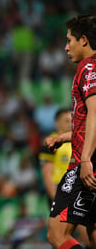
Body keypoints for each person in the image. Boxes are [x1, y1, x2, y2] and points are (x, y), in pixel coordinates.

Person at [45, 15, 96, 249]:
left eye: (69, 41)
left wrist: (85, 158)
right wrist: (62, 137)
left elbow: (95, 114)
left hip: (84, 164)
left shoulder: (89, 68)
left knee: (57, 234)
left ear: (83, 40)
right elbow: (86, 123)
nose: (66, 48)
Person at [40, 109, 91, 248]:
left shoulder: (80, 141)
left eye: (72, 120)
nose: (70, 124)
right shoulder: (53, 142)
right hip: (63, 194)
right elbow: (47, 173)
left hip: (79, 188)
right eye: (66, 121)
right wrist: (53, 199)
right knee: (60, 237)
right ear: (57, 123)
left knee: (84, 238)